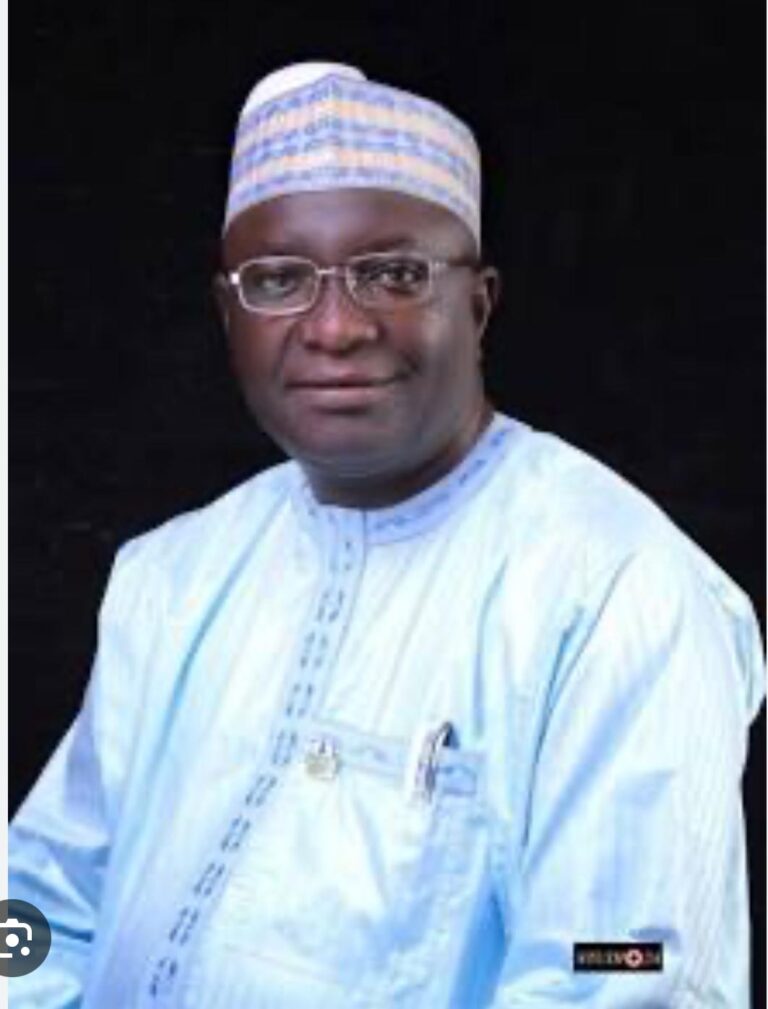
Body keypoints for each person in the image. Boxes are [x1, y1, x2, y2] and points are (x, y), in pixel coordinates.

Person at [9, 61, 765, 1008]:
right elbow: (36, 903)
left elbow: (628, 967)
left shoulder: (619, 592)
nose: (334, 327)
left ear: (479, 304)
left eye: (394, 274)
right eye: (278, 279)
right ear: (228, 313)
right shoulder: (173, 575)